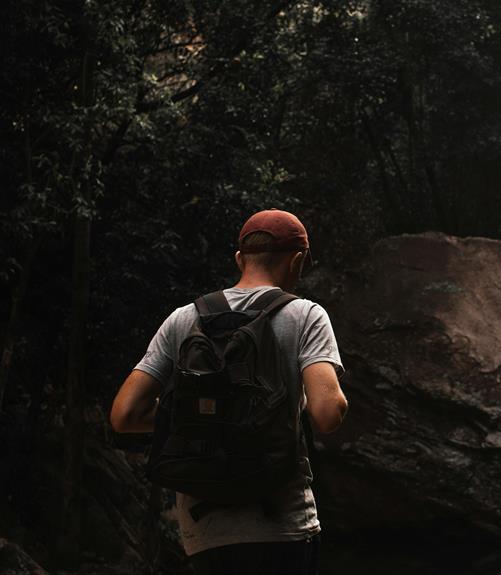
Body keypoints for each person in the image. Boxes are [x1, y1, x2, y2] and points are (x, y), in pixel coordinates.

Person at [110, 209, 348, 574]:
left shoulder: (184, 319)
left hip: (204, 532)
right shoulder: (305, 316)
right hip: (281, 526)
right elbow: (328, 414)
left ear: (239, 258)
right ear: (297, 261)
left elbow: (124, 416)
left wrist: (201, 415)